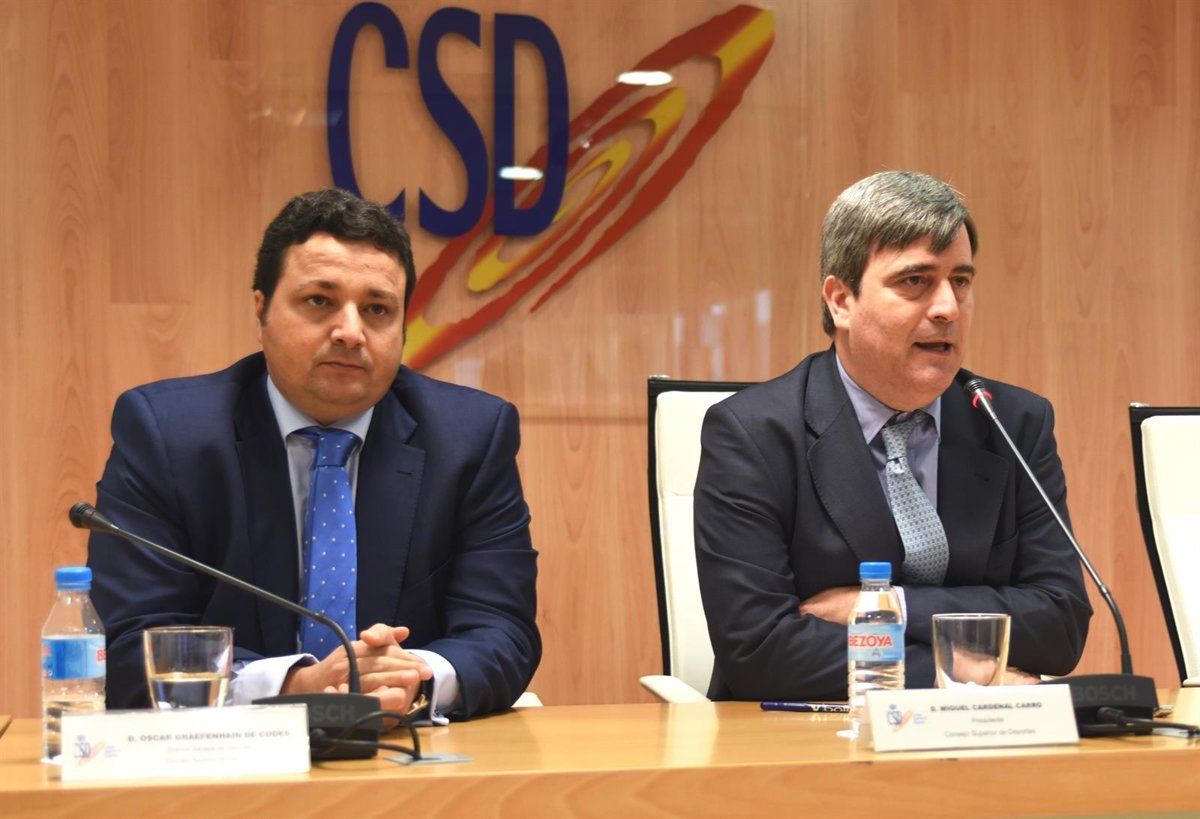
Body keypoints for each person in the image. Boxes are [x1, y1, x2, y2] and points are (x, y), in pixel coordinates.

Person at [86, 188, 540, 719]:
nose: (350, 332)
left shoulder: (469, 438)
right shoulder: (168, 434)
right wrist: (296, 685)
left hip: (406, 750)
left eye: (377, 309)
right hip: (227, 758)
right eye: (320, 301)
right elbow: (128, 645)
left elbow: (503, 631)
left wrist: (411, 681)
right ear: (261, 309)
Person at [693, 171, 1092, 700]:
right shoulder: (753, 434)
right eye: (915, 281)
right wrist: (960, 671)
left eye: (961, 281)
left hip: (983, 736)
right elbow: (759, 648)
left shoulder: (1011, 422)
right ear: (841, 300)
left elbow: (1061, 622)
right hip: (802, 735)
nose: (948, 307)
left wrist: (888, 608)